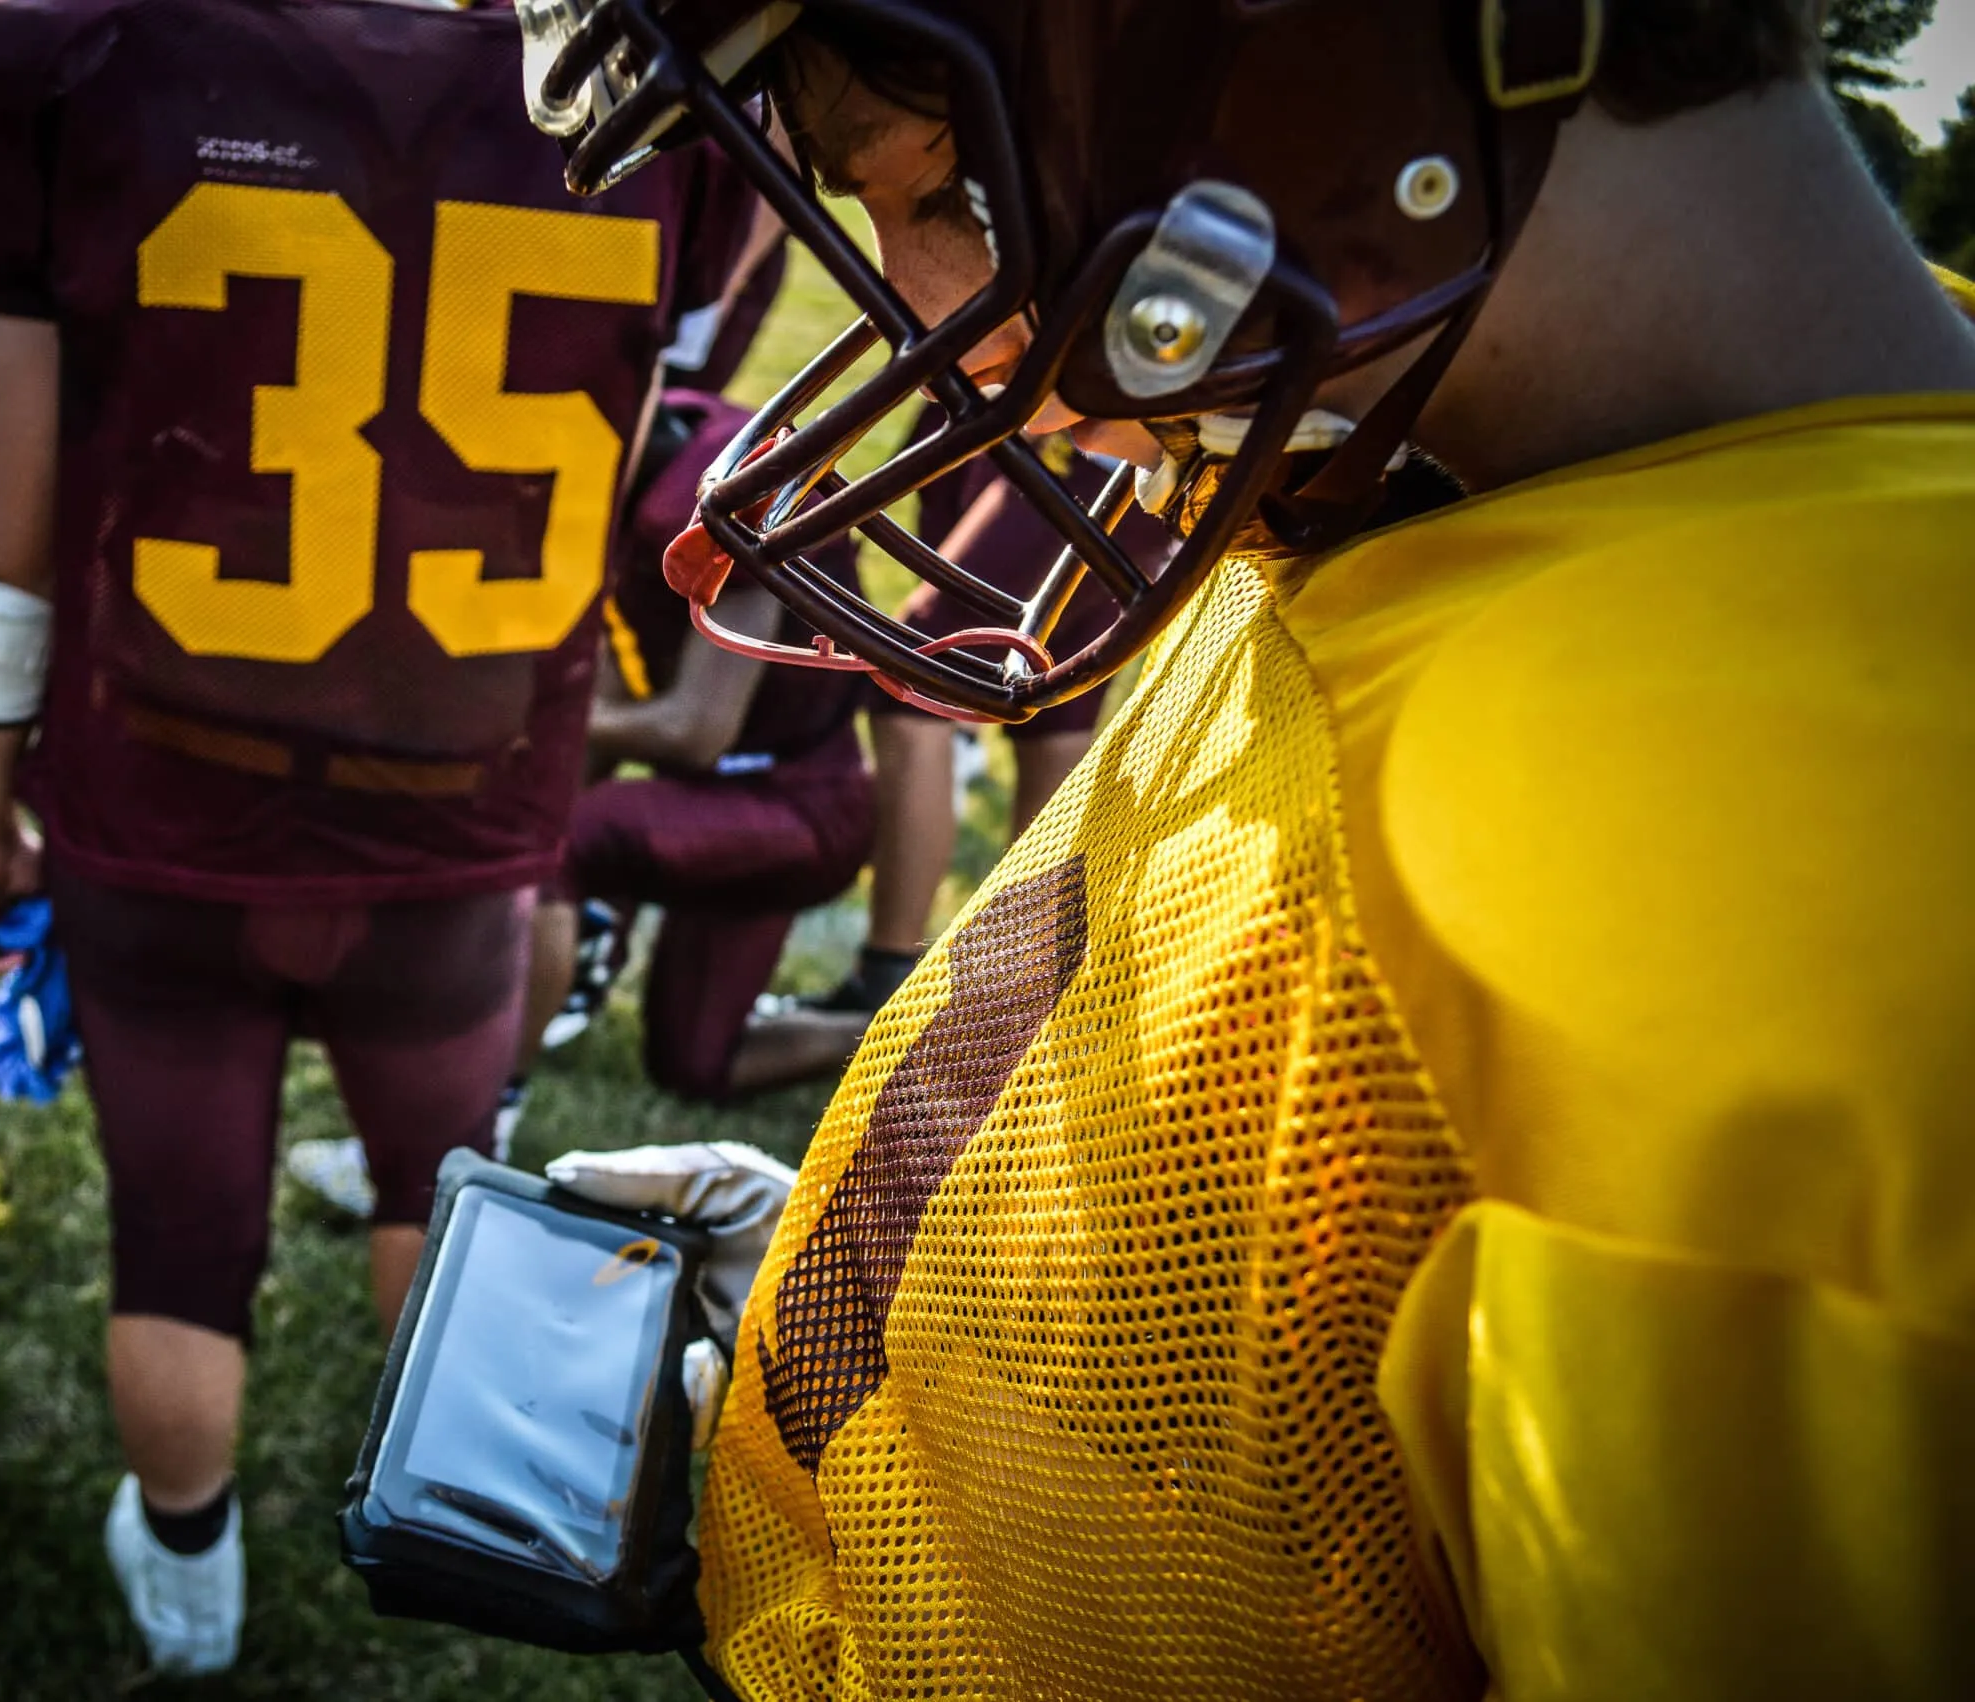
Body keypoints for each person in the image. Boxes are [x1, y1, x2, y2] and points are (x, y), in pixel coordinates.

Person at [521, 2, 1975, 1697]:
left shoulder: (1844, 947)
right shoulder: (1394, 482)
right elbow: (1308, 1280)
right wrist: (880, 1297)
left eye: (943, 194)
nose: (939, 317)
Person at [0, 0, 755, 1673]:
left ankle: (189, 1578)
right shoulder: (654, 109)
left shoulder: (62, 59)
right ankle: (455, 1520)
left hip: (162, 799)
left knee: (178, 1232)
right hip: (456, 819)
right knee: (435, 1195)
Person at [524, 388, 875, 1102]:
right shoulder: (679, 425)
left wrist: (533, 720)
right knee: (695, 1065)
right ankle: (911, 1034)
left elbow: (694, 730)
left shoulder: (722, 498)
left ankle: (484, 1105)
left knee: (559, 843)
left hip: (788, 805)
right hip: (763, 792)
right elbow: (624, 695)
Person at [811, 421, 1169, 1013]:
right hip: (1147, 474)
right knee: (1057, 716)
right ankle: (1014, 1000)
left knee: (910, 681)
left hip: (1097, 463)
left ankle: (886, 971)